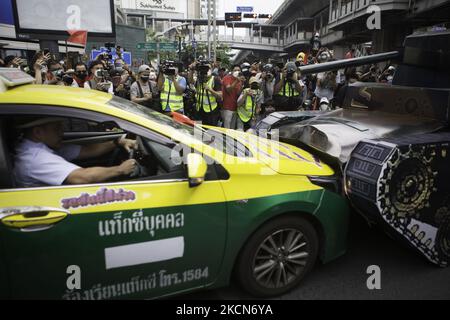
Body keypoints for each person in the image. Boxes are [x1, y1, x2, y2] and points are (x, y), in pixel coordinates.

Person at [13, 117, 137, 188]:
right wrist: (120, 169)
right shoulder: (36, 158)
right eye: (57, 129)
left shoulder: (43, 146)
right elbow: (83, 177)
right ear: (38, 132)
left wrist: (118, 143)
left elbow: (87, 150)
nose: (62, 132)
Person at [188, 60, 223, 126]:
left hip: (211, 111)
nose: (205, 70)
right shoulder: (199, 78)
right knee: (197, 131)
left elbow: (220, 96)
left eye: (208, 68)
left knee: (210, 133)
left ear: (212, 69)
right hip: (198, 110)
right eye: (203, 68)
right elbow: (190, 81)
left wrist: (210, 90)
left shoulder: (215, 79)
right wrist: (192, 69)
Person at [221, 65, 243, 129]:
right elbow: (228, 89)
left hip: (235, 108)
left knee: (232, 129)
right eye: (235, 70)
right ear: (232, 71)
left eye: (238, 70)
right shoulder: (227, 78)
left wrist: (241, 84)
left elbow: (238, 94)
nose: (237, 71)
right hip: (227, 108)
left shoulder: (239, 80)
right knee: (227, 128)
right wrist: (236, 81)